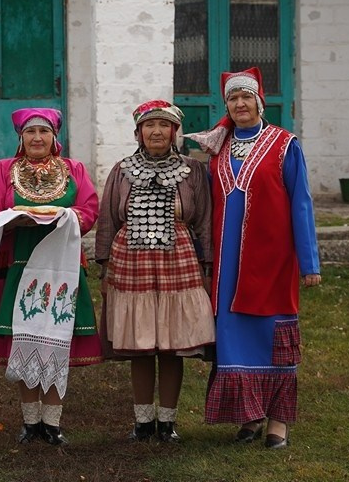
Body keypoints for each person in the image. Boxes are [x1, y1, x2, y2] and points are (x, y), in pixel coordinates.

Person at [185, 68, 321, 450]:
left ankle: (278, 420)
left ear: (260, 102)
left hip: (273, 261)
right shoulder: (218, 148)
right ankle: (250, 415)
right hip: (228, 268)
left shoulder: (284, 144)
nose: (240, 104)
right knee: (234, 338)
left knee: (272, 335)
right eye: (233, 98)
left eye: (246, 97)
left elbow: (301, 203)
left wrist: (309, 262)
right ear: (227, 105)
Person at [0, 108, 102, 446]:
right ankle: (31, 422)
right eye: (30, 132)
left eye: (43, 132)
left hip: (63, 265)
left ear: (54, 137)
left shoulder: (74, 169)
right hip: (20, 261)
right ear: (21, 137)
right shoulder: (4, 170)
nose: (37, 138)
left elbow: (89, 210)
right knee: (25, 338)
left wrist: (65, 216)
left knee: (57, 336)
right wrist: (13, 218)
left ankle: (52, 423)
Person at [94, 100, 214, 443]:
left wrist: (208, 268)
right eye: (150, 125)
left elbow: (205, 221)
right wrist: (104, 268)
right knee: (140, 343)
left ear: (174, 132)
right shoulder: (121, 170)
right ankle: (143, 421)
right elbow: (107, 221)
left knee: (173, 344)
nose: (157, 132)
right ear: (138, 133)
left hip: (179, 262)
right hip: (131, 263)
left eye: (164, 125)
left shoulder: (192, 170)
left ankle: (168, 421)